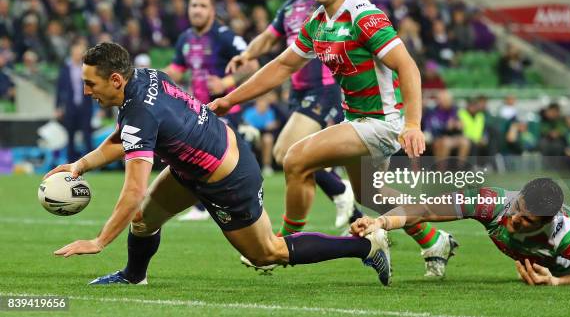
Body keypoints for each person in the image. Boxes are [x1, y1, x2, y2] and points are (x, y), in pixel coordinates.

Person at [46, 42, 392, 286]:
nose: (87, 91)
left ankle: (366, 245)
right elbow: (125, 136)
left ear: (116, 80)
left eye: (91, 83)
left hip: (230, 179)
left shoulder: (139, 111)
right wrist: (79, 166)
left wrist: (99, 241)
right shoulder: (146, 77)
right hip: (195, 165)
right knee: (143, 221)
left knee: (267, 253)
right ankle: (134, 277)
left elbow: (133, 189)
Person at [212, 0, 457, 277]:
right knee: (376, 197)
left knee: (295, 159)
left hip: (381, 123)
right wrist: (230, 99)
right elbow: (282, 66)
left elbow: (408, 67)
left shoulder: (365, 17)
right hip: (356, 119)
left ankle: (282, 242)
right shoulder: (319, 21)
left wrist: (412, 123)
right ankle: (436, 239)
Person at [226, 0, 361, 231]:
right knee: (291, 159)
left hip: (324, 89)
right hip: (298, 93)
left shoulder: (326, 4)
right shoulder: (289, 8)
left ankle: (336, 193)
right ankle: (364, 223)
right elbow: (268, 37)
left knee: (288, 152)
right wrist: (246, 55)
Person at [351, 178, 570, 286]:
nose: (514, 218)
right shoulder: (491, 204)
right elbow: (425, 210)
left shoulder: (566, 235)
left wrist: (556, 281)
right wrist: (381, 223)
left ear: (545, 221)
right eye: (517, 207)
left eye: (527, 219)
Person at [164, 0, 255, 221]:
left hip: (225, 108)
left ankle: (207, 208)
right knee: (199, 160)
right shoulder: (185, 39)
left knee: (212, 161)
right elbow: (177, 69)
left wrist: (226, 81)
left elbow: (252, 64)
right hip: (200, 110)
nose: (197, 10)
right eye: (193, 6)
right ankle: (207, 206)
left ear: (212, 11)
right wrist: (148, 76)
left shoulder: (225, 36)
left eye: (202, 6)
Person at [55, 37, 94, 162]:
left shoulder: (88, 68)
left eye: (80, 54)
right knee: (70, 136)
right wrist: (57, 107)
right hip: (70, 107)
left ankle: (90, 162)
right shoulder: (65, 69)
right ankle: (71, 162)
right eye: (76, 53)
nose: (78, 56)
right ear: (72, 54)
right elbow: (59, 90)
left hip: (85, 106)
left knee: (87, 135)